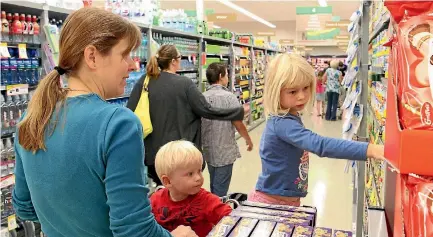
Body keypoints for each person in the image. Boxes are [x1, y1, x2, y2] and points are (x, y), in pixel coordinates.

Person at [12, 8, 196, 237]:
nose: (133, 65)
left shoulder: (30, 119)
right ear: (92, 57)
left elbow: (25, 208)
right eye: (125, 55)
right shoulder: (118, 124)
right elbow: (134, 231)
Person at [248, 53, 385, 206]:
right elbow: (320, 145)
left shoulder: (290, 116)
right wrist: (371, 150)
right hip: (272, 203)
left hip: (283, 200)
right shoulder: (282, 123)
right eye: (292, 91)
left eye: (305, 88)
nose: (301, 96)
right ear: (275, 90)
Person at [127, 45, 244, 186]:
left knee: (163, 191)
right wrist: (236, 111)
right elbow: (207, 110)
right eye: (180, 58)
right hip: (180, 154)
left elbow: (130, 111)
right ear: (173, 61)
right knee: (182, 194)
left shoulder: (144, 81)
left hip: (153, 156)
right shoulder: (185, 84)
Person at [150, 141, 232, 237]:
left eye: (199, 171)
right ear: (167, 181)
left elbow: (232, 219)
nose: (198, 178)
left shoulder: (206, 200)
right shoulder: (155, 201)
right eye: (190, 174)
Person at [201, 62, 253, 197]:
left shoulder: (202, 97)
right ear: (220, 76)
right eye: (227, 75)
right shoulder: (229, 97)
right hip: (224, 149)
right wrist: (248, 139)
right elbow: (238, 122)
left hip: (208, 149)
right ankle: (217, 213)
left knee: (213, 182)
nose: (228, 78)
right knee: (220, 190)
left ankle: (213, 205)